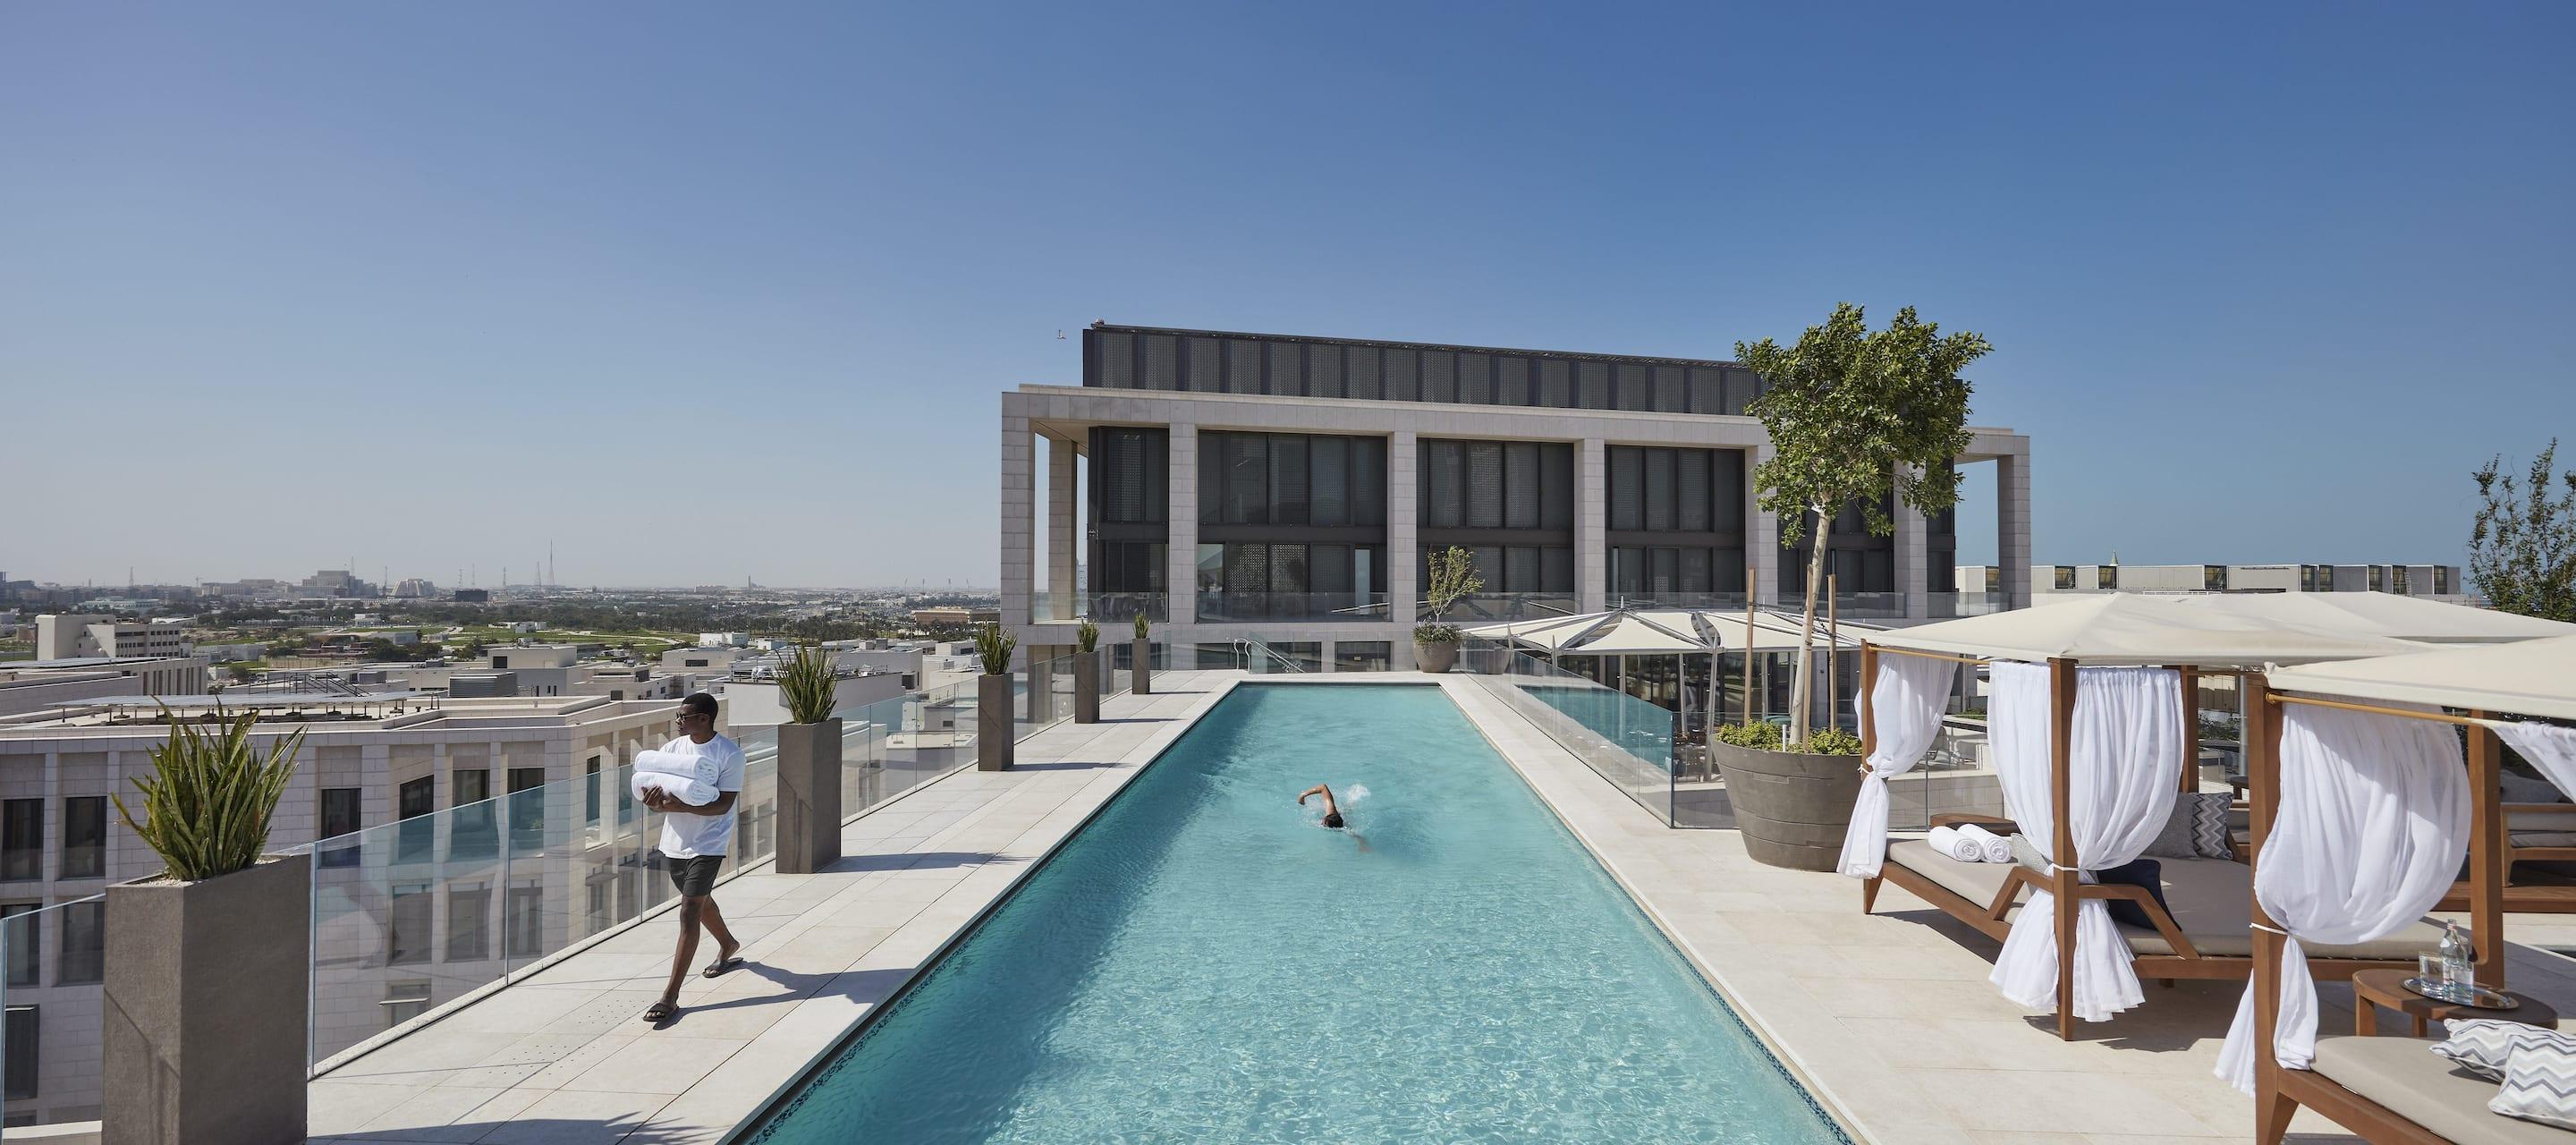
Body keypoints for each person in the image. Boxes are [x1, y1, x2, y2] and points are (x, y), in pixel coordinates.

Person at [641, 692, 747, 1024]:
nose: (678, 721)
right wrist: (654, 802)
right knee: (700, 903)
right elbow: (657, 790)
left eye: (683, 716)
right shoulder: (673, 750)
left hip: (709, 841)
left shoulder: (729, 754)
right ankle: (728, 944)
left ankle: (670, 996)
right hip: (675, 839)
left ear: (704, 718)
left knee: (689, 911)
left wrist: (680, 806)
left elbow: (723, 804)